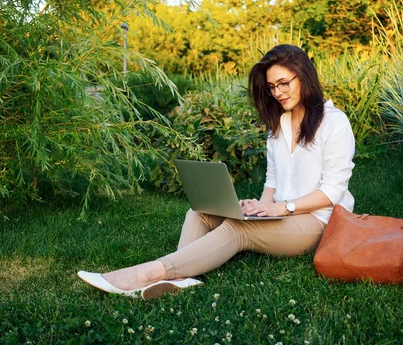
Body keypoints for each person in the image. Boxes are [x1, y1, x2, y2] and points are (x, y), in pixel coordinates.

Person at [78, 44, 355, 300]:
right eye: (272, 86)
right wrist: (262, 205)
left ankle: (147, 273)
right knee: (200, 211)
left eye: (284, 83)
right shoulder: (278, 124)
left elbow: (333, 191)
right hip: (282, 212)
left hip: (317, 222)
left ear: (304, 77)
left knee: (238, 228)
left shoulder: (334, 122)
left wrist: (284, 208)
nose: (278, 92)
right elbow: (272, 180)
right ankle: (182, 275)